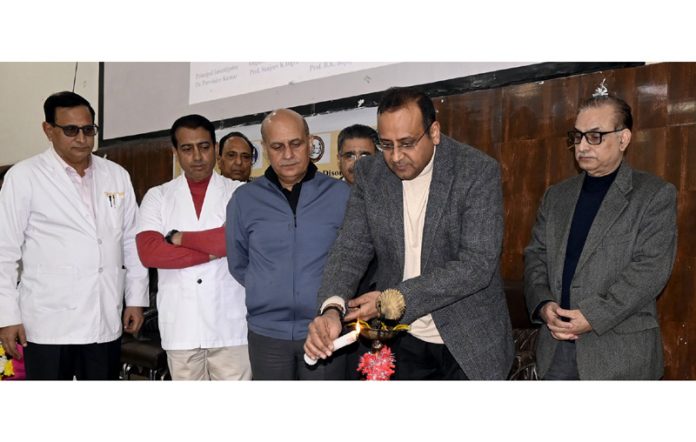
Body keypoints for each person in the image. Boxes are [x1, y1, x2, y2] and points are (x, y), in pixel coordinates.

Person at [304, 86, 514, 380]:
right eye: (386, 144)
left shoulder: (475, 171)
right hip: (403, 339)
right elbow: (351, 247)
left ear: (435, 132)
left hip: (468, 340)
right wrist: (332, 308)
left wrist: (394, 299)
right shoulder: (371, 174)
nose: (396, 156)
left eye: (407, 143)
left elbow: (477, 265)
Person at [524, 94, 677, 380]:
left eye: (595, 136)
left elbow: (650, 271)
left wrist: (592, 316)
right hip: (556, 350)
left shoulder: (654, 195)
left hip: (620, 355)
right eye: (578, 136)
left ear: (623, 139)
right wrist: (544, 305)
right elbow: (536, 256)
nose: (581, 146)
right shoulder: (557, 196)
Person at [0, 91, 148, 380]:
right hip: (48, 323)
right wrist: (7, 317)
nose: (82, 138)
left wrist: (136, 298)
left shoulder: (117, 175)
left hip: (103, 316)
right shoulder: (25, 176)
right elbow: (4, 251)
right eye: (71, 130)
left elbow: (132, 240)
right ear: (48, 130)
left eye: (88, 129)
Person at [226, 108, 350, 380]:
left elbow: (354, 260)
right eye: (278, 146)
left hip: (325, 331)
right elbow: (238, 262)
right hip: (267, 335)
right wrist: (268, 286)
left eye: (295, 144)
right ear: (264, 148)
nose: (288, 154)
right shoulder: (244, 199)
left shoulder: (341, 194)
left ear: (310, 142)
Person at [136, 114, 250, 380]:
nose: (197, 156)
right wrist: (213, 251)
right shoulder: (158, 196)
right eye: (187, 149)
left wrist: (179, 238)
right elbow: (150, 252)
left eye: (204, 147)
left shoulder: (239, 193)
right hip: (181, 323)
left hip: (230, 323)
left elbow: (238, 242)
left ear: (215, 148)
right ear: (175, 152)